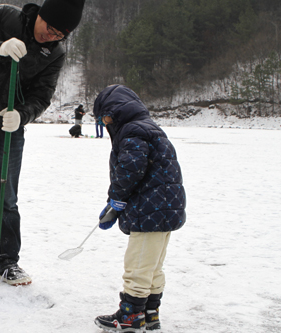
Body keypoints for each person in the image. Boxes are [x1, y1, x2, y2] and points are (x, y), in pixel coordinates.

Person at [0, 0, 85, 292]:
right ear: (41, 16)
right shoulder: (5, 16)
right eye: (50, 28)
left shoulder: (55, 54)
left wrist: (21, 116)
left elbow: (42, 95)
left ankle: (7, 261)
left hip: (10, 129)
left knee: (8, 198)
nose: (53, 36)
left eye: (61, 34)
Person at [92, 85, 186, 332]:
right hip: (165, 208)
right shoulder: (149, 128)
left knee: (138, 264)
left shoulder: (132, 130)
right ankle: (150, 313)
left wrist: (116, 199)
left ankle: (130, 316)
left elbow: (131, 167)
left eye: (104, 116)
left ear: (114, 111)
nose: (104, 121)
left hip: (150, 209)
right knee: (153, 266)